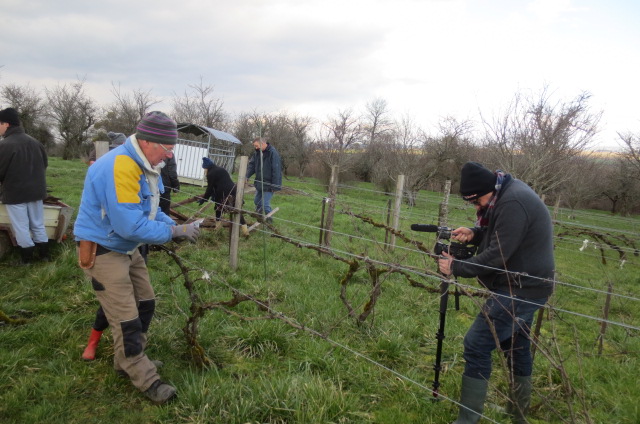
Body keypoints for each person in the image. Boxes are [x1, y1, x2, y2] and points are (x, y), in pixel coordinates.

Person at [74, 111, 200, 404]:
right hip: (105, 248)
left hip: (127, 246)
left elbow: (150, 211)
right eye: (166, 149)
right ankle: (146, 379)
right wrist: (176, 232)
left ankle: (128, 360)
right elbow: (129, 224)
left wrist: (176, 224)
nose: (168, 156)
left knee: (145, 302)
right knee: (126, 318)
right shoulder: (122, 166)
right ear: (146, 141)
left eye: (172, 150)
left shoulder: (143, 165)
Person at [437, 161, 555, 424]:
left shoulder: (513, 202)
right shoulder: (504, 193)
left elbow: (498, 254)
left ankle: (468, 420)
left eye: (477, 201)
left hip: (521, 289)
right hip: (524, 285)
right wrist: (475, 232)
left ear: (489, 189)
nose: (477, 207)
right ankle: (518, 416)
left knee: (477, 344)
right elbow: (502, 232)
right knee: (516, 347)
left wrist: (457, 266)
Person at [0, 107, 50, 264]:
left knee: (21, 226)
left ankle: (26, 260)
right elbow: (44, 164)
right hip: (36, 191)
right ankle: (45, 257)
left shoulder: (4, 145)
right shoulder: (36, 142)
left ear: (6, 124)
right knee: (37, 224)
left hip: (15, 193)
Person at [198, 157, 249, 236]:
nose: (204, 170)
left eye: (204, 168)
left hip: (222, 193)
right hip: (233, 190)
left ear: (206, 167)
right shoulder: (221, 169)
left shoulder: (211, 173)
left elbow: (210, 188)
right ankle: (245, 230)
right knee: (236, 209)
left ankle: (217, 227)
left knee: (218, 208)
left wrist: (204, 199)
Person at [246, 137, 282, 222]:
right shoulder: (257, 153)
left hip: (270, 184)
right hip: (260, 183)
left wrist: (274, 186)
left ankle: (269, 221)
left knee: (264, 204)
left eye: (256, 145)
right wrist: (246, 176)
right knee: (256, 201)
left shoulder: (273, 153)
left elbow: (276, 170)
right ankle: (260, 217)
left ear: (262, 144)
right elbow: (251, 166)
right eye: (254, 146)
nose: (255, 148)